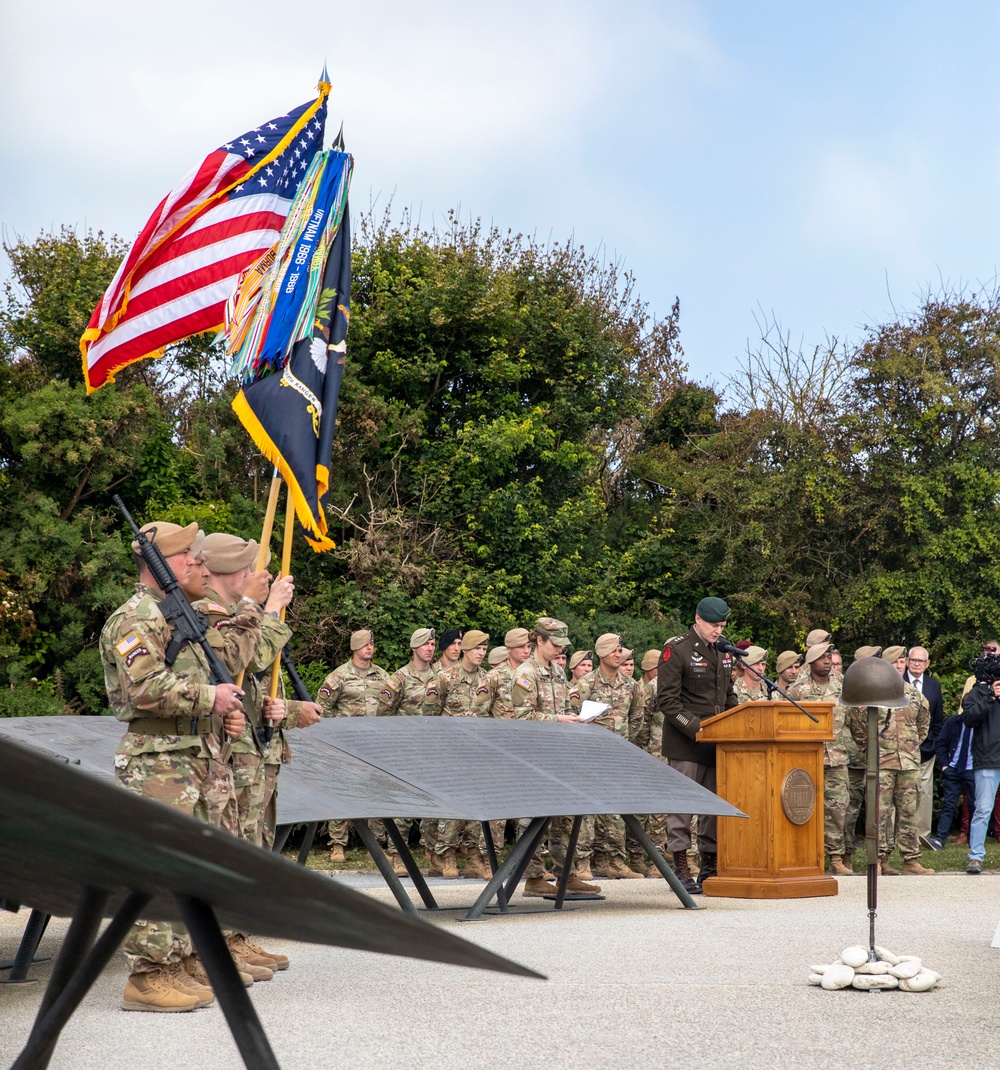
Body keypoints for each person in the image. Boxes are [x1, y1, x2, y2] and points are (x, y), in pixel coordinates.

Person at [102, 520, 262, 1012]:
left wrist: (221, 712)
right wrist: (209, 697)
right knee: (160, 866)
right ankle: (148, 976)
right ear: (163, 563)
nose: (197, 561)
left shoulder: (177, 614)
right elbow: (143, 689)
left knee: (194, 865)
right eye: (188, 555)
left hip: (193, 756)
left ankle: (183, 958)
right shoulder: (134, 618)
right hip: (158, 761)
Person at [657, 597, 738, 894]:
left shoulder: (724, 649)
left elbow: (728, 694)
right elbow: (667, 700)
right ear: (698, 619)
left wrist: (735, 722)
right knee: (681, 807)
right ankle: (680, 865)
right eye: (714, 625)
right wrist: (696, 727)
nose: (718, 630)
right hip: (686, 742)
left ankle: (709, 865)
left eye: (722, 625)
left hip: (718, 743)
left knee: (713, 808)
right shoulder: (676, 650)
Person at [510, 618, 591, 895]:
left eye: (562, 645)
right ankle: (533, 878)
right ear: (540, 641)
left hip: (559, 756)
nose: (559, 650)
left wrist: (577, 717)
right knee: (534, 819)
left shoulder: (557, 672)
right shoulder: (525, 673)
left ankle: (566, 875)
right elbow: (522, 717)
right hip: (534, 757)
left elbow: (566, 705)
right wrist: (558, 719)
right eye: (555, 644)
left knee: (564, 819)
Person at [848, 646, 933, 875]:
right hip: (881, 763)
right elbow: (857, 724)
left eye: (901, 662)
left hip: (907, 763)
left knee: (908, 813)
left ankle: (910, 860)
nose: (898, 666)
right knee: (878, 814)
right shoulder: (873, 693)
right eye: (893, 662)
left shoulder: (914, 695)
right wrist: (870, 748)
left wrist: (911, 746)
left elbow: (923, 724)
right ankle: (877, 860)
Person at [569, 633, 645, 880]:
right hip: (588, 758)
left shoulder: (631, 684)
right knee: (587, 812)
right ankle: (582, 862)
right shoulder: (585, 684)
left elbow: (637, 718)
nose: (618, 653)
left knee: (615, 811)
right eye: (613, 650)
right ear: (601, 653)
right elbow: (571, 717)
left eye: (620, 649)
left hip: (617, 757)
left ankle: (612, 860)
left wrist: (622, 742)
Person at [423, 629, 492, 878]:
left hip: (477, 754)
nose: (481, 654)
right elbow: (429, 715)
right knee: (449, 808)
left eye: (484, 649)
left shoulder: (488, 678)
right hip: (448, 753)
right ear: (465, 650)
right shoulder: (444, 678)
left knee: (476, 807)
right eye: (477, 649)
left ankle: (475, 857)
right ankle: (445, 855)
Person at [318, 629, 389, 862]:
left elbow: (390, 705)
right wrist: (335, 734)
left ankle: (376, 847)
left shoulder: (381, 675)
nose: (370, 647)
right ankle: (337, 844)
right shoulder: (339, 676)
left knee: (376, 793)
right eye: (365, 644)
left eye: (372, 643)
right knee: (343, 792)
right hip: (347, 745)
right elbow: (322, 707)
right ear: (354, 647)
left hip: (375, 745)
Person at [373, 627, 437, 874]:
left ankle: (434, 855)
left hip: (432, 750)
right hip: (406, 750)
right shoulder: (399, 679)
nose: (429, 649)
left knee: (432, 804)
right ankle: (397, 854)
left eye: (432, 645)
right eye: (425, 645)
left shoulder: (440, 676)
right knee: (403, 805)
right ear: (414, 648)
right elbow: (383, 714)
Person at [788, 642, 857, 876]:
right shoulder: (798, 690)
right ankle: (806, 857)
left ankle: (836, 859)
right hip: (807, 759)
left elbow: (853, 721)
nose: (827, 661)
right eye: (822, 658)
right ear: (811, 662)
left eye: (829, 657)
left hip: (837, 759)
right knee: (804, 808)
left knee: (838, 810)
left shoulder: (841, 687)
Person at [960, 655, 1000, 874]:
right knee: (983, 809)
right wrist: (990, 696)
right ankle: (975, 856)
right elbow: (969, 719)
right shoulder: (979, 691)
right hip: (988, 758)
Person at [903, 645, 944, 840]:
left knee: (924, 794)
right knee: (900, 793)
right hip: (901, 750)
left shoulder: (934, 686)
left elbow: (938, 720)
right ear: (907, 662)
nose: (916, 664)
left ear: (927, 664)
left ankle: (922, 835)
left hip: (927, 750)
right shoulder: (897, 682)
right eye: (913, 660)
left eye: (921, 661)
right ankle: (898, 835)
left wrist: (933, 745)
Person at [922, 712, 975, 851]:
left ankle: (974, 840)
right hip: (953, 768)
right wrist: (944, 765)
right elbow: (941, 743)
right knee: (948, 805)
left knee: (974, 805)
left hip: (973, 769)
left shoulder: (981, 722)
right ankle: (939, 840)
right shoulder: (953, 722)